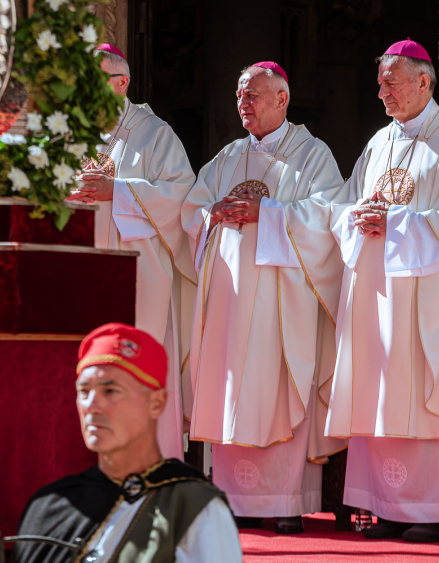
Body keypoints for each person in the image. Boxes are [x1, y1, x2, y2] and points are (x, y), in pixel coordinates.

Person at [325, 39, 439, 542]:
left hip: (429, 297)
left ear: (424, 82)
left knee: (428, 398)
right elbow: (343, 205)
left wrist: (396, 222)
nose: (382, 92)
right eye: (380, 83)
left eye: (391, 82)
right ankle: (389, 508)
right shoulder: (378, 143)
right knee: (380, 395)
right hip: (379, 295)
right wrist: (355, 219)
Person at [181, 62, 345, 534]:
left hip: (281, 301)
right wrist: (211, 214)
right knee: (231, 389)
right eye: (239, 96)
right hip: (230, 300)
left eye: (253, 95)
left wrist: (268, 213)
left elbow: (327, 215)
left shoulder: (312, 154)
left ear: (282, 99)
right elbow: (191, 209)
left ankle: (286, 500)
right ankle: (232, 497)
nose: (244, 104)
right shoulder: (228, 156)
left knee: (276, 390)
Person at [13, 323, 242, 563]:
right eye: (84, 391)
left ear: (157, 403)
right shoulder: (50, 506)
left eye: (110, 391)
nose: (92, 405)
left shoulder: (193, 507)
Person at [67, 44, 197, 461]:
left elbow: (181, 195)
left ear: (121, 83)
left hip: (138, 273)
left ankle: (145, 460)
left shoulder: (154, 133)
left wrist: (117, 191)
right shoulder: (69, 130)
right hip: (80, 267)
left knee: (133, 362)